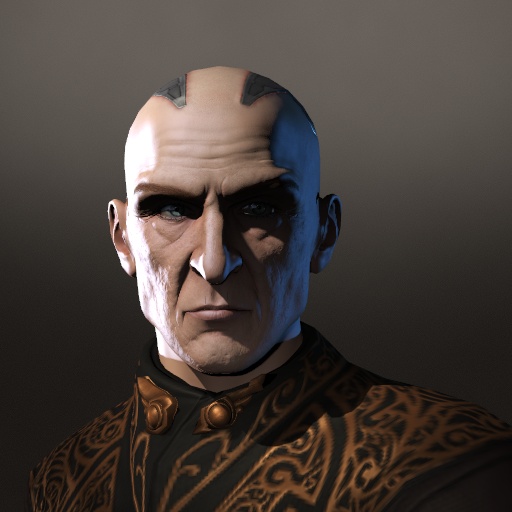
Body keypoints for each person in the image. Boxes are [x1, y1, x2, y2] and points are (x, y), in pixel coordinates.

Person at [27, 66, 512, 511]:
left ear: (324, 233)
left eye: (258, 209)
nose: (214, 262)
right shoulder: (64, 478)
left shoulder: (448, 463)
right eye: (172, 209)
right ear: (122, 239)